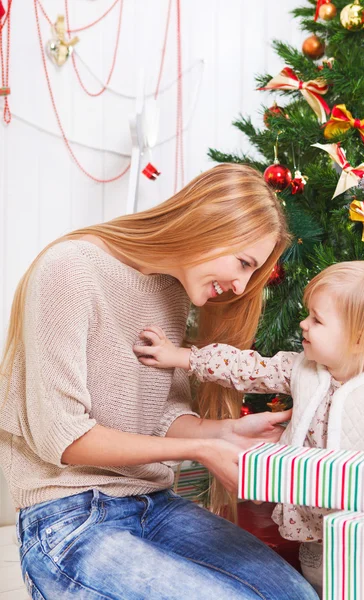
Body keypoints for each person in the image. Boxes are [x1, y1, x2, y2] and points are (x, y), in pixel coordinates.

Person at [0, 164, 319, 600]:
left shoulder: (170, 291)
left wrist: (223, 431)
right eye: (243, 263)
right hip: (67, 520)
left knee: (297, 596)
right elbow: (65, 437)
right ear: (209, 223)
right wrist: (201, 448)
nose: (241, 285)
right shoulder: (70, 270)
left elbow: (159, 416)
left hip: (154, 506)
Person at [134, 260, 364, 598]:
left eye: (317, 320)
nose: (304, 324)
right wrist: (181, 358)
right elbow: (246, 368)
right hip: (311, 529)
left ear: (359, 338)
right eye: (308, 314)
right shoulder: (301, 369)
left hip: (363, 535)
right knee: (313, 587)